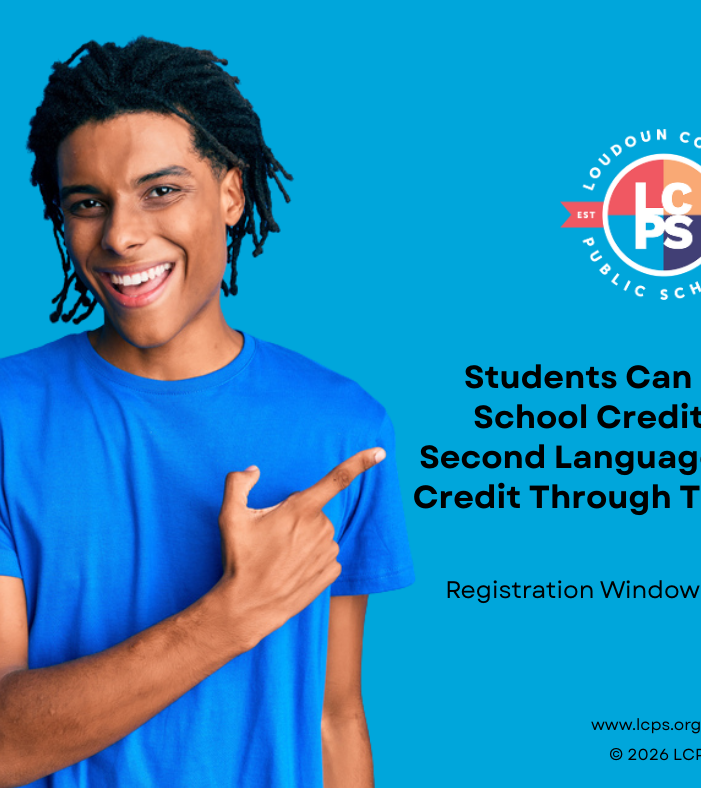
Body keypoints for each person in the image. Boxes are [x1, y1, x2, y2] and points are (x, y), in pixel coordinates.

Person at [0, 37, 415, 788]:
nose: (122, 236)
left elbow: (336, 719)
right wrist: (230, 617)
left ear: (231, 194)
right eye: (88, 203)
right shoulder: (8, 418)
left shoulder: (344, 429)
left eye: (161, 191)